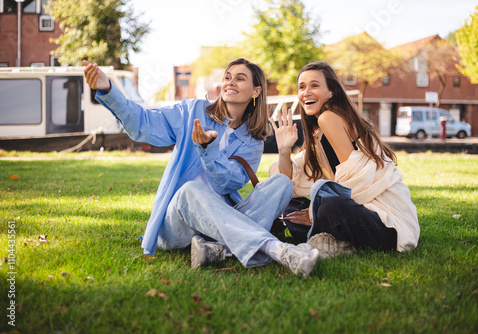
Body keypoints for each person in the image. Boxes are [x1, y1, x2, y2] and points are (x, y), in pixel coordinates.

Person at [83, 58, 319, 277]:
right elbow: (143, 123)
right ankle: (278, 250)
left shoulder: (252, 141)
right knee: (190, 189)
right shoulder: (192, 111)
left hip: (218, 221)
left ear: (256, 91)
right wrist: (108, 90)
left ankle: (219, 249)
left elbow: (226, 183)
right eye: (227, 77)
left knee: (281, 183)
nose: (230, 82)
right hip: (178, 223)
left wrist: (210, 150)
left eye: (240, 78)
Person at [269, 61, 419, 257]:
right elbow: (289, 180)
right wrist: (283, 150)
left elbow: (355, 181)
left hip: (386, 224)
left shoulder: (329, 118)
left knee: (330, 207)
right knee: (290, 203)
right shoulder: (317, 132)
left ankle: (323, 237)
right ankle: (330, 240)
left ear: (331, 91)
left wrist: (314, 214)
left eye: (315, 85)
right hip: (354, 211)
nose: (306, 92)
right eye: (302, 87)